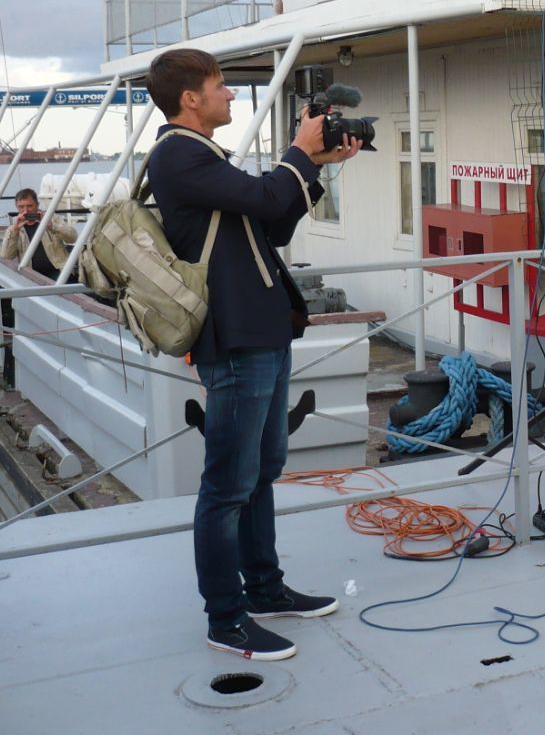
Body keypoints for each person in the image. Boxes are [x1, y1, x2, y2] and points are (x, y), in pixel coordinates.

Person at [144, 48, 361, 661]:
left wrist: (313, 165)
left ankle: (264, 590)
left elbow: (273, 223)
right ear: (191, 98)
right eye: (220, 86)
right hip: (234, 340)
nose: (230, 96)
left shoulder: (203, 157)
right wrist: (298, 149)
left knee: (261, 471)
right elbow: (266, 199)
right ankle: (226, 618)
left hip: (260, 332)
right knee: (227, 487)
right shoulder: (177, 154)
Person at [0, 188, 78, 278]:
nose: (26, 211)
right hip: (31, 275)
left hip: (58, 271)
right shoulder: (14, 227)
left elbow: (73, 237)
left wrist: (52, 226)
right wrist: (15, 231)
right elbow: (6, 257)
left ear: (37, 205)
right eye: (21, 207)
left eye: (30, 206)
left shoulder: (52, 218)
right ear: (16, 207)